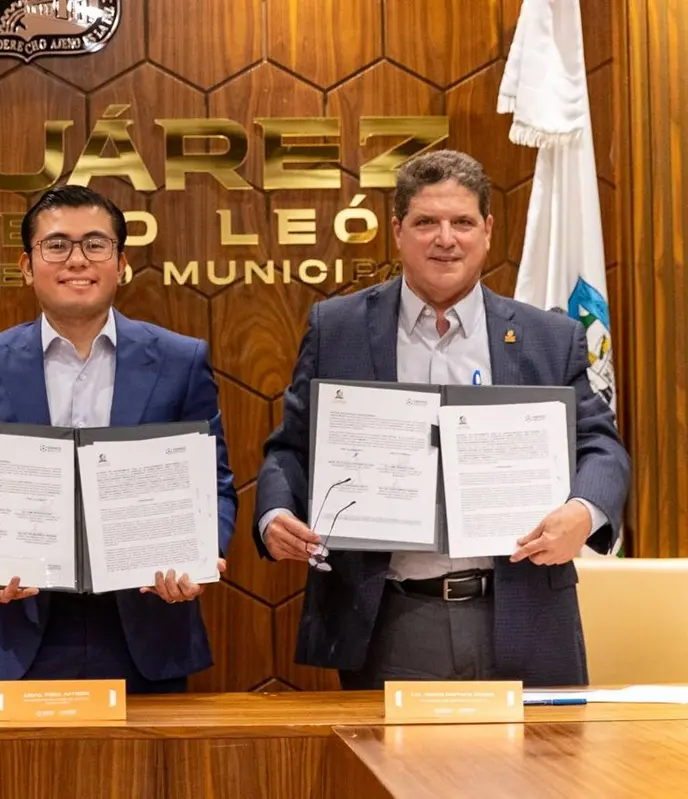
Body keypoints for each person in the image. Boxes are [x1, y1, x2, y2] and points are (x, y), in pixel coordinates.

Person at [254, 150, 630, 689]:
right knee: (393, 773)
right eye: (426, 222)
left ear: (488, 231)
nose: (445, 238)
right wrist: (274, 514)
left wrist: (583, 510)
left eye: (462, 222)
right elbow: (291, 448)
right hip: (391, 617)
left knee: (537, 774)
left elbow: (601, 446)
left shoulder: (549, 337)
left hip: (521, 610)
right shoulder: (337, 328)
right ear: (398, 232)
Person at [0, 184, 238, 694]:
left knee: (150, 777)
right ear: (27, 265)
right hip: (19, 632)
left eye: (96, 244)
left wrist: (200, 556)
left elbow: (215, 487)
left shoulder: (181, 361)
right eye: (57, 245)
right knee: (22, 777)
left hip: (148, 626)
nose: (77, 260)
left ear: (121, 263)